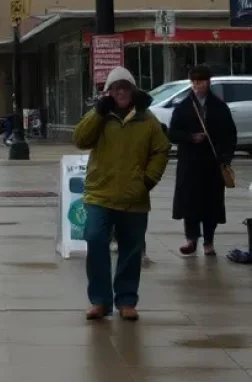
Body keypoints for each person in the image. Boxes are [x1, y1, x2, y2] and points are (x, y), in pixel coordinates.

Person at [73, 66, 168, 322]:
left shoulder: (147, 120)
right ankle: (100, 301)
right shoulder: (101, 116)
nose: (121, 92)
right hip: (100, 195)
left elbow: (161, 150)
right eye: (116, 88)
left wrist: (148, 180)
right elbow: (80, 139)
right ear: (109, 92)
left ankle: (126, 301)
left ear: (133, 90)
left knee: (131, 251)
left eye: (125, 87)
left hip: (134, 198)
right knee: (95, 239)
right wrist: (98, 113)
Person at [168, 65, 236, 258]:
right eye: (195, 81)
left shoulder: (219, 106)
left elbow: (230, 134)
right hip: (190, 163)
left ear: (208, 82)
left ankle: (208, 241)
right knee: (190, 202)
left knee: (211, 203)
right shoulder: (183, 106)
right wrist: (190, 137)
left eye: (202, 81)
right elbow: (172, 133)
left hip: (213, 163)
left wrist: (226, 156)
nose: (198, 85)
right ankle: (191, 239)